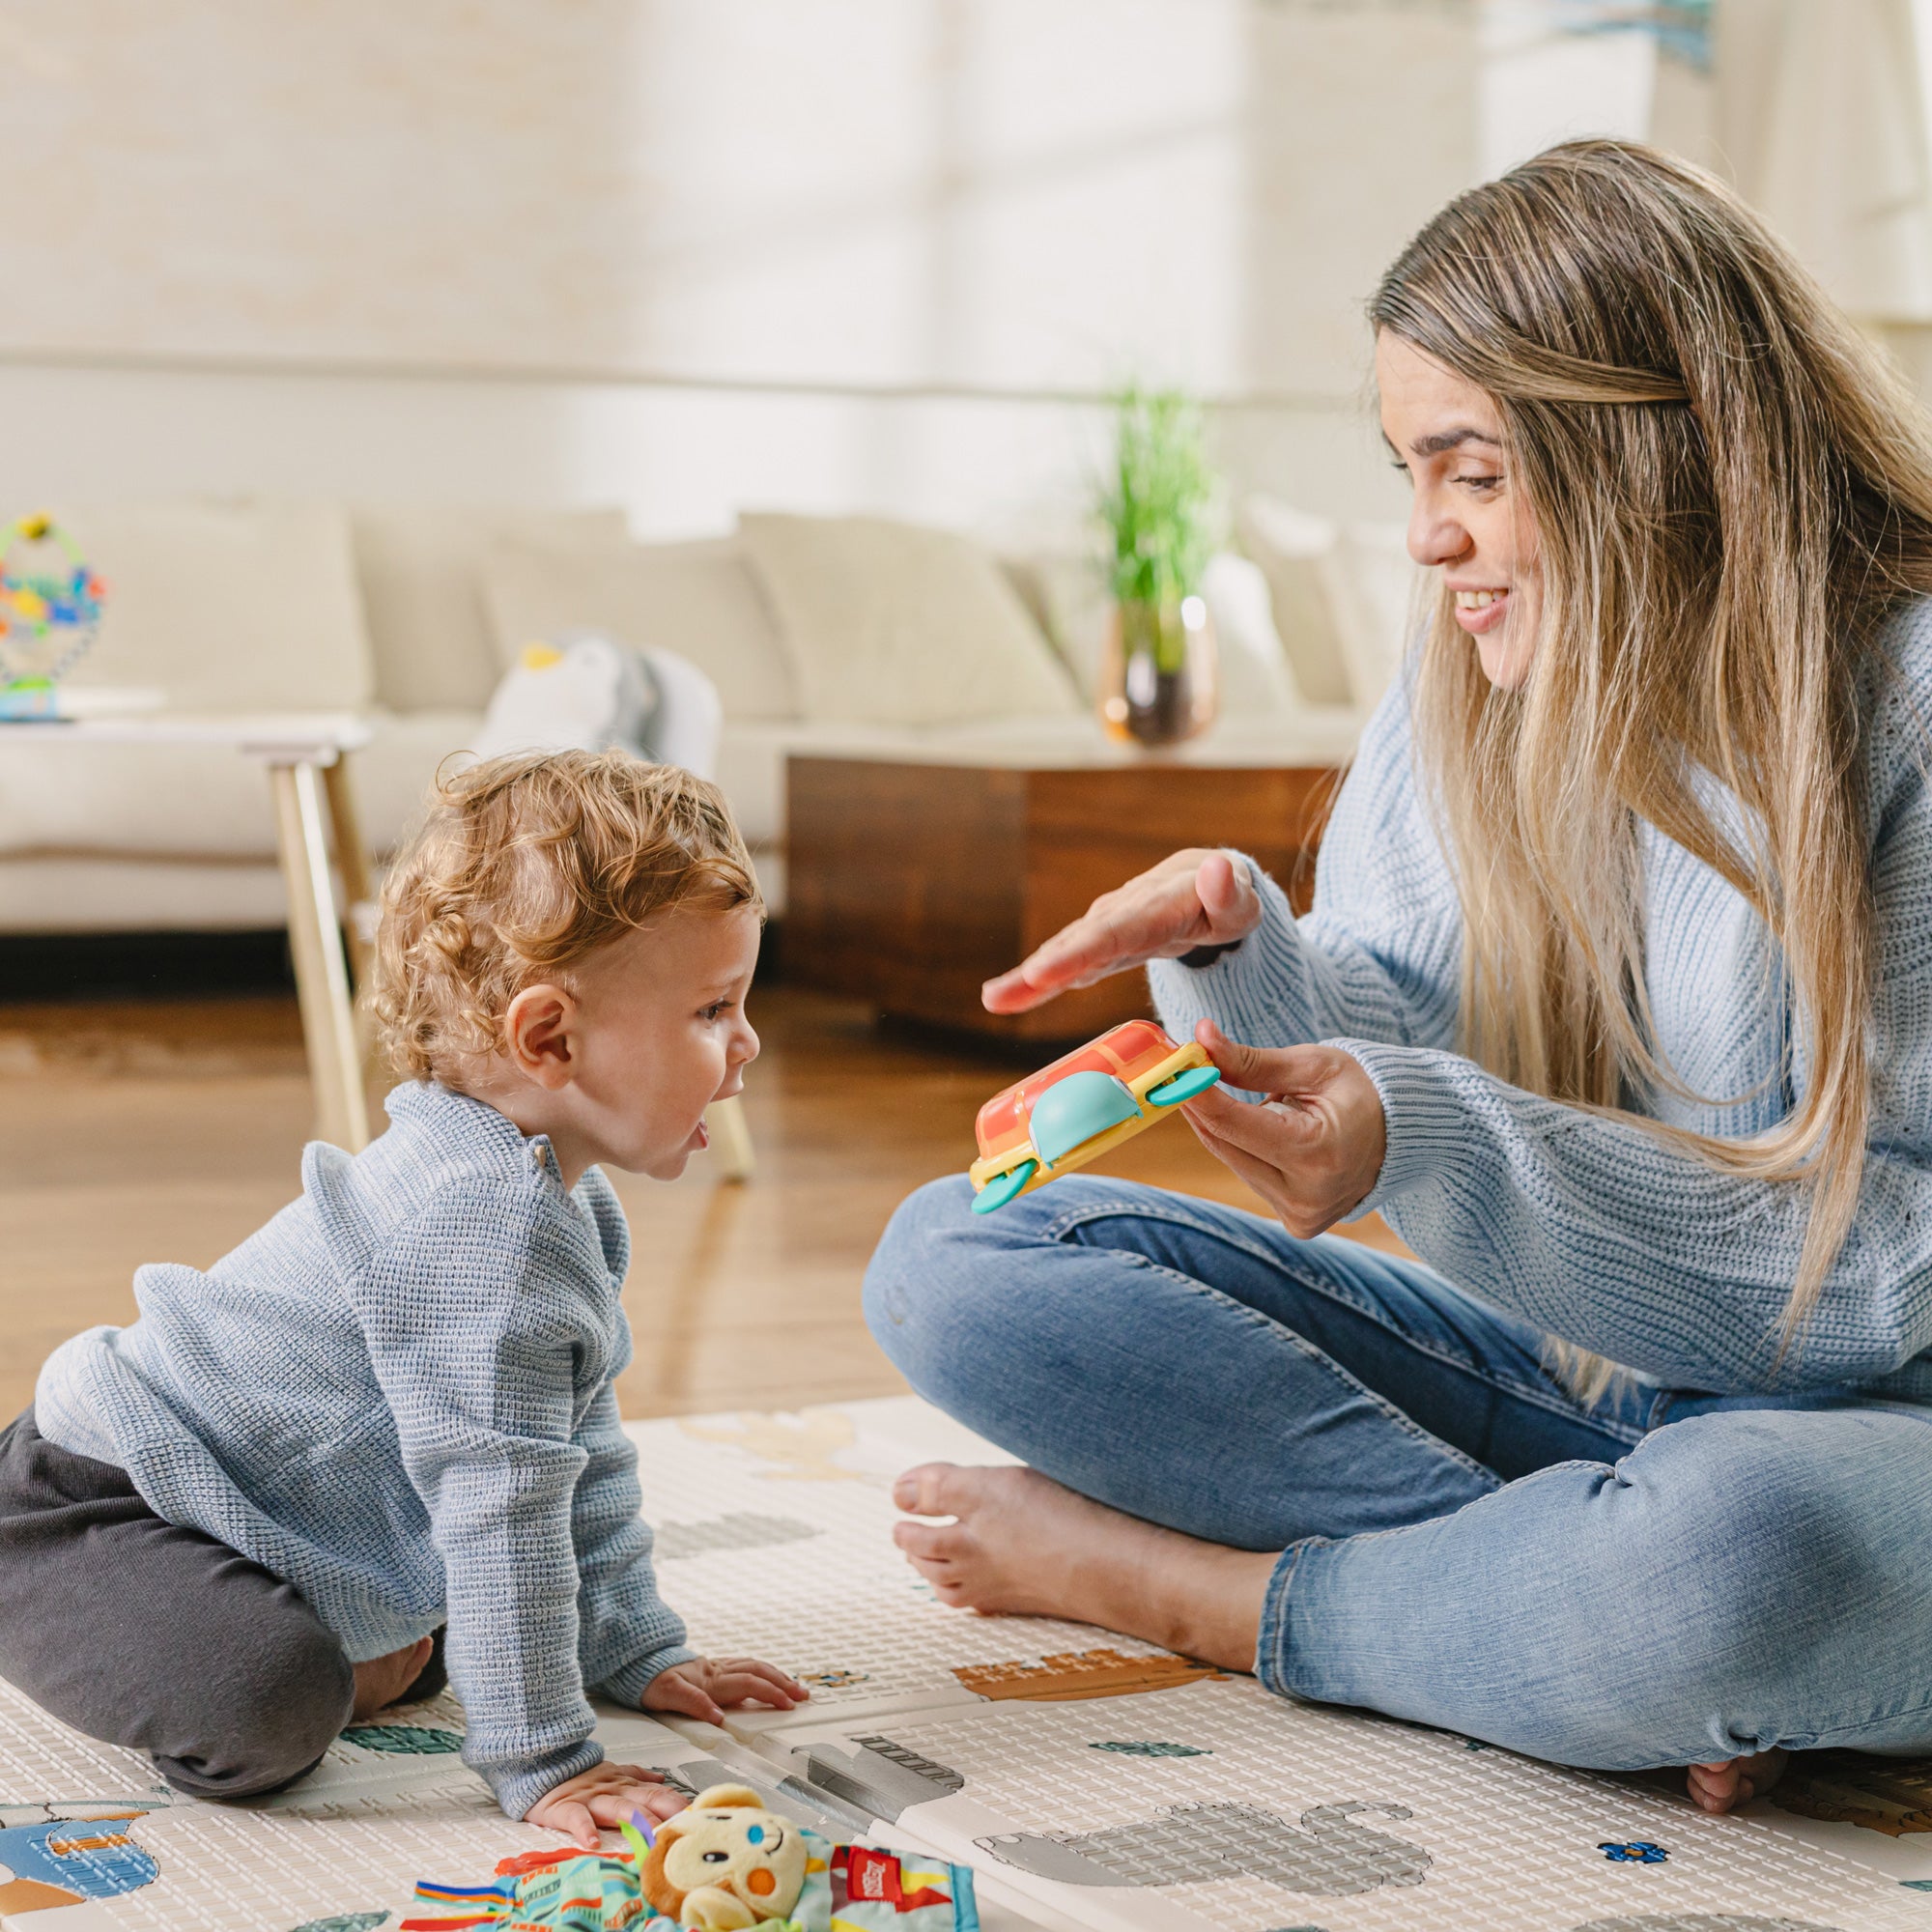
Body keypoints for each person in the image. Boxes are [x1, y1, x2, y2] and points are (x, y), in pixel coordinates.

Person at [863, 139, 1932, 1818]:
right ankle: (1564, 1626)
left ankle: (1225, 1601)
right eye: (1410, 473)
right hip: (1611, 1390)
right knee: (955, 1263)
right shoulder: (1476, 681)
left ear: (1653, 448)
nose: (1430, 539)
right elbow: (1415, 1032)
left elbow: (1903, 1273)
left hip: (1878, 1446)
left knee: (1734, 1550)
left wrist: (1428, 1135)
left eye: (1474, 471)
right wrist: (1240, 959)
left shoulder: (1910, 704)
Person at [0, 751, 805, 1844]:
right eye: (713, 1009)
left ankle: (342, 1640)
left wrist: (629, 1642)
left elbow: (578, 1447)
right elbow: (500, 1501)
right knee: (270, 1700)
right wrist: (545, 1759)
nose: (747, 1042)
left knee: (434, 1628)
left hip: (244, 1519)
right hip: (90, 1509)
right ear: (548, 1038)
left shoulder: (563, 1201)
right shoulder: (479, 1230)